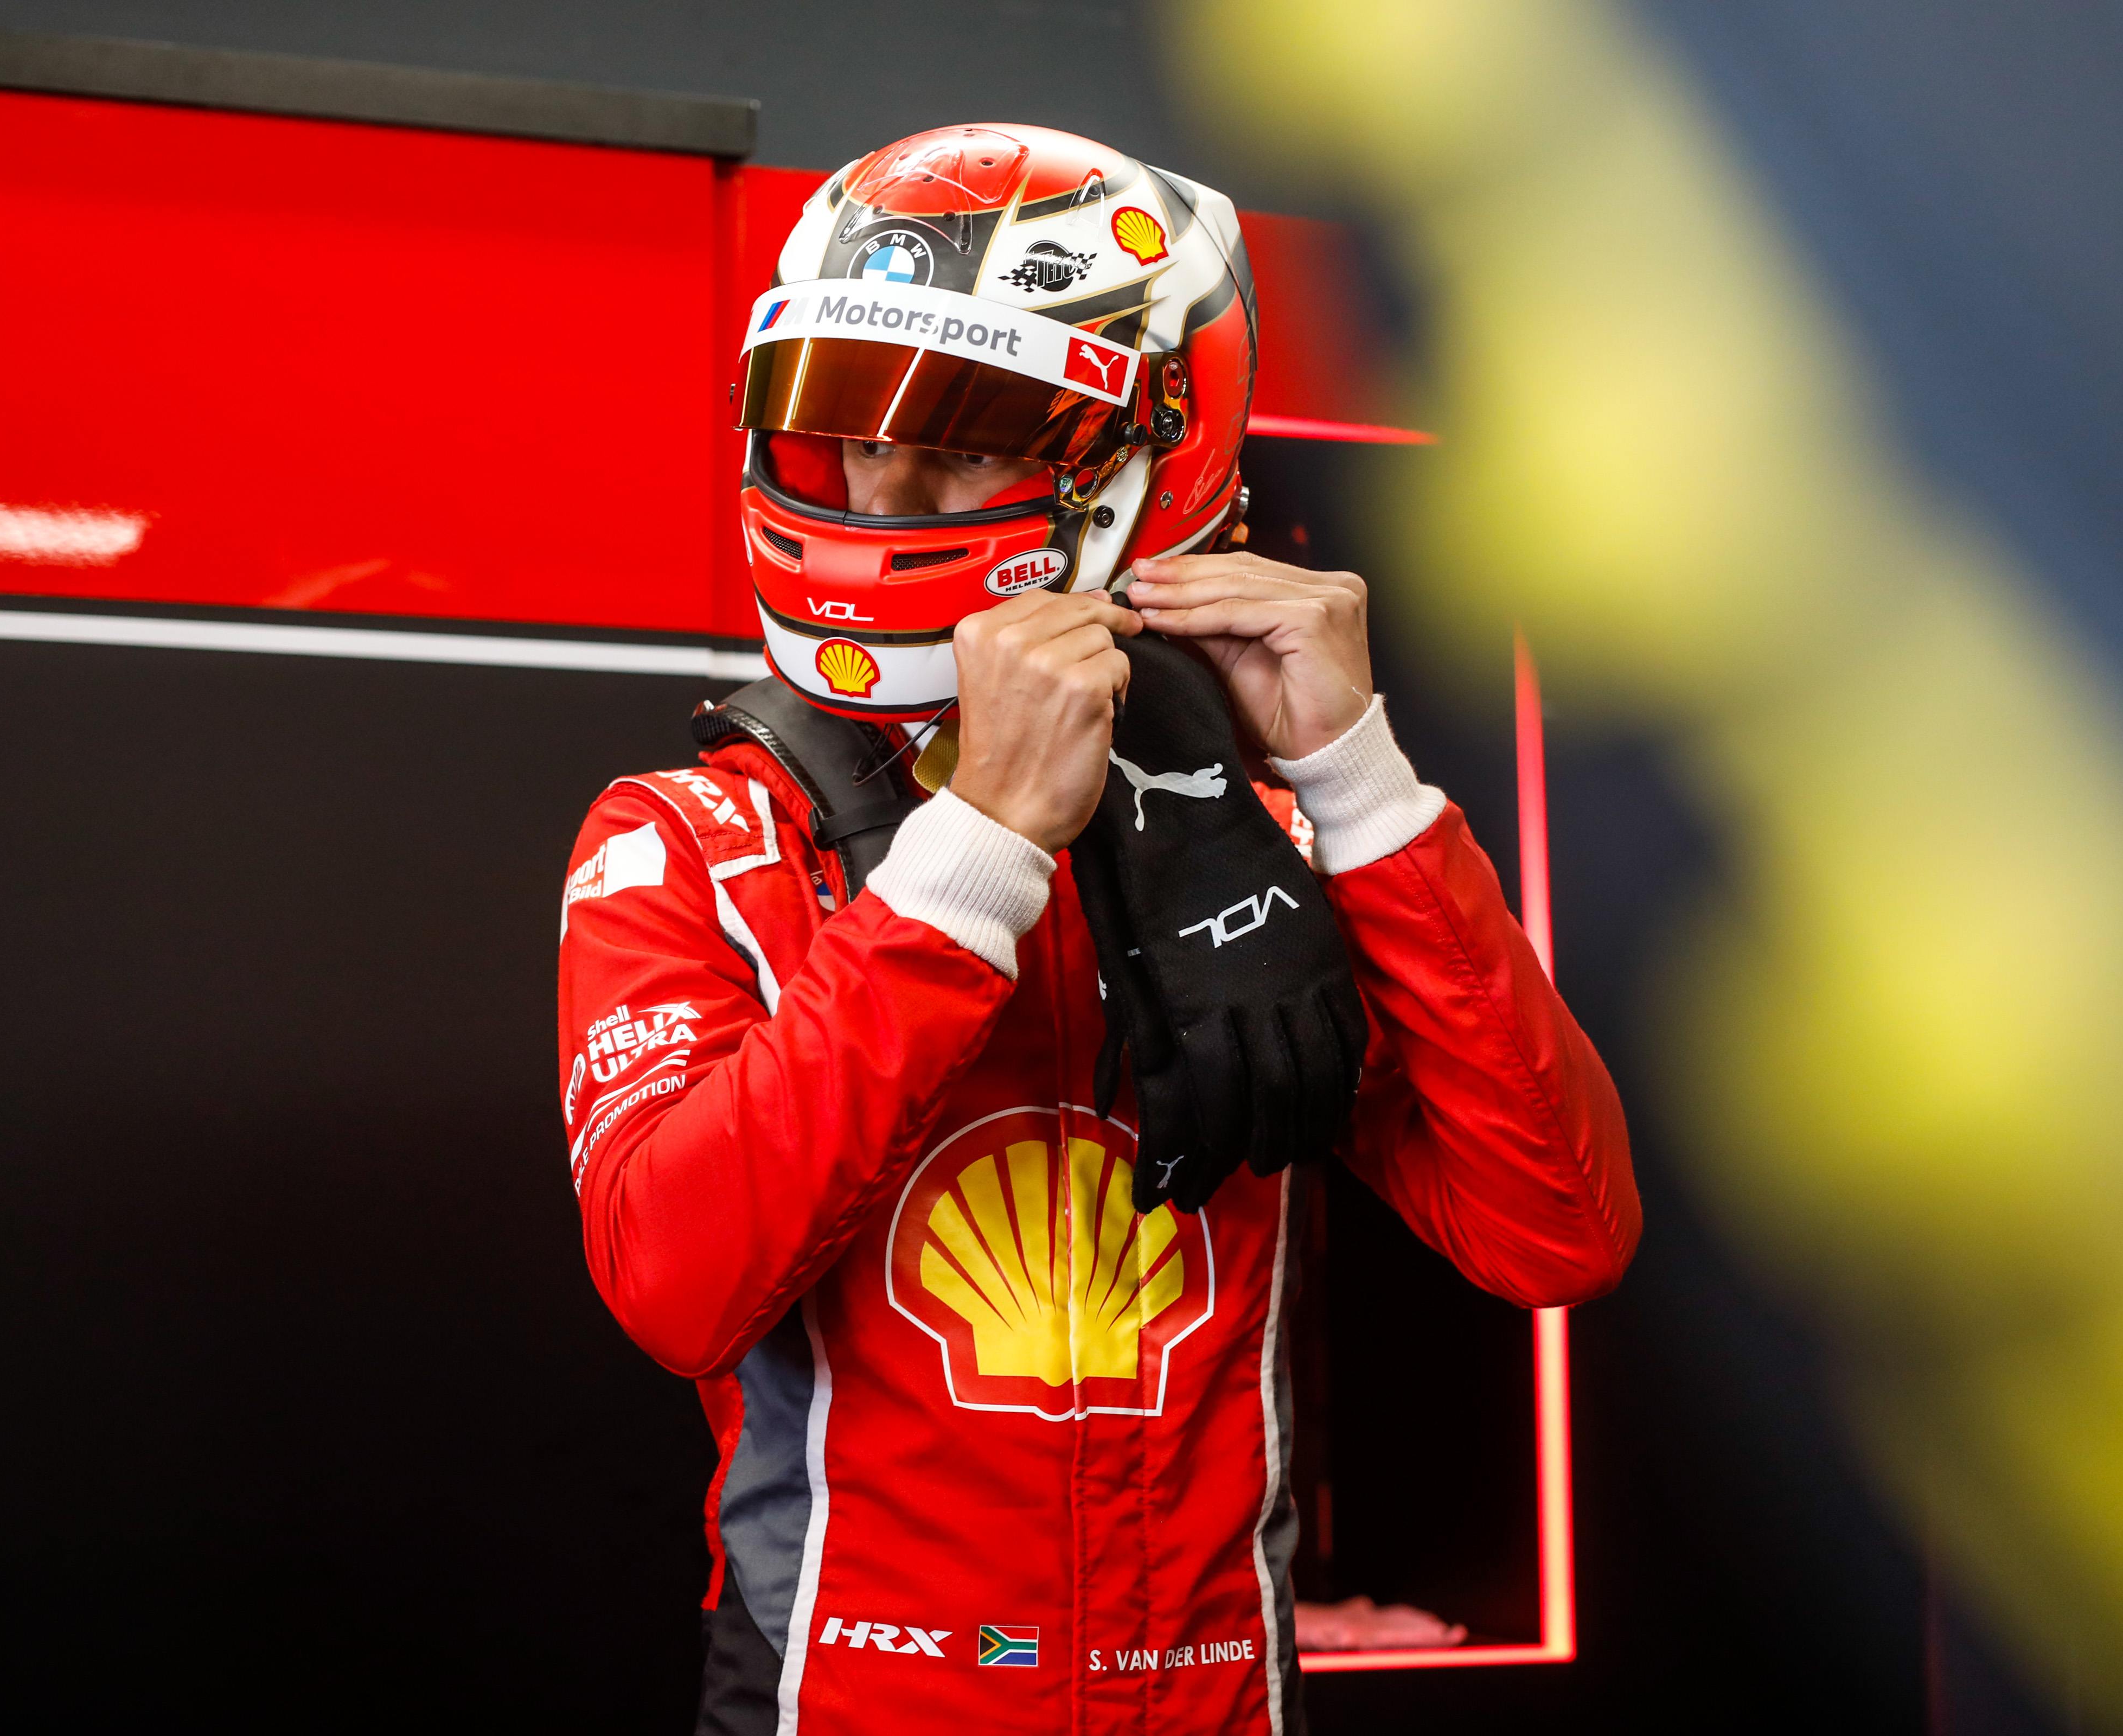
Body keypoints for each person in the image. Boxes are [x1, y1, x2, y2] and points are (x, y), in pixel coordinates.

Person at [557, 124, 1640, 1736]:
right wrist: (976, 858)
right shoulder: (691, 839)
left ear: (1147, 456)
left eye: (962, 436)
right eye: (841, 429)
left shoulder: (1267, 844)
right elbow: (676, 1286)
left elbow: (1558, 1231)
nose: (882, 489)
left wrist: (1358, 782)